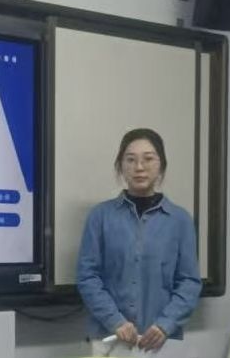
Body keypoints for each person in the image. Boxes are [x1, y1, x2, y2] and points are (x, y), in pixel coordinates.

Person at [76, 128, 202, 355]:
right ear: (120, 166)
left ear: (161, 165)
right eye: (131, 159)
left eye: (148, 159)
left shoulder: (180, 220)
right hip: (110, 338)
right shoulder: (100, 216)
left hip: (161, 341)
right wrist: (115, 320)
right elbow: (88, 276)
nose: (139, 167)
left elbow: (189, 282)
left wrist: (166, 323)